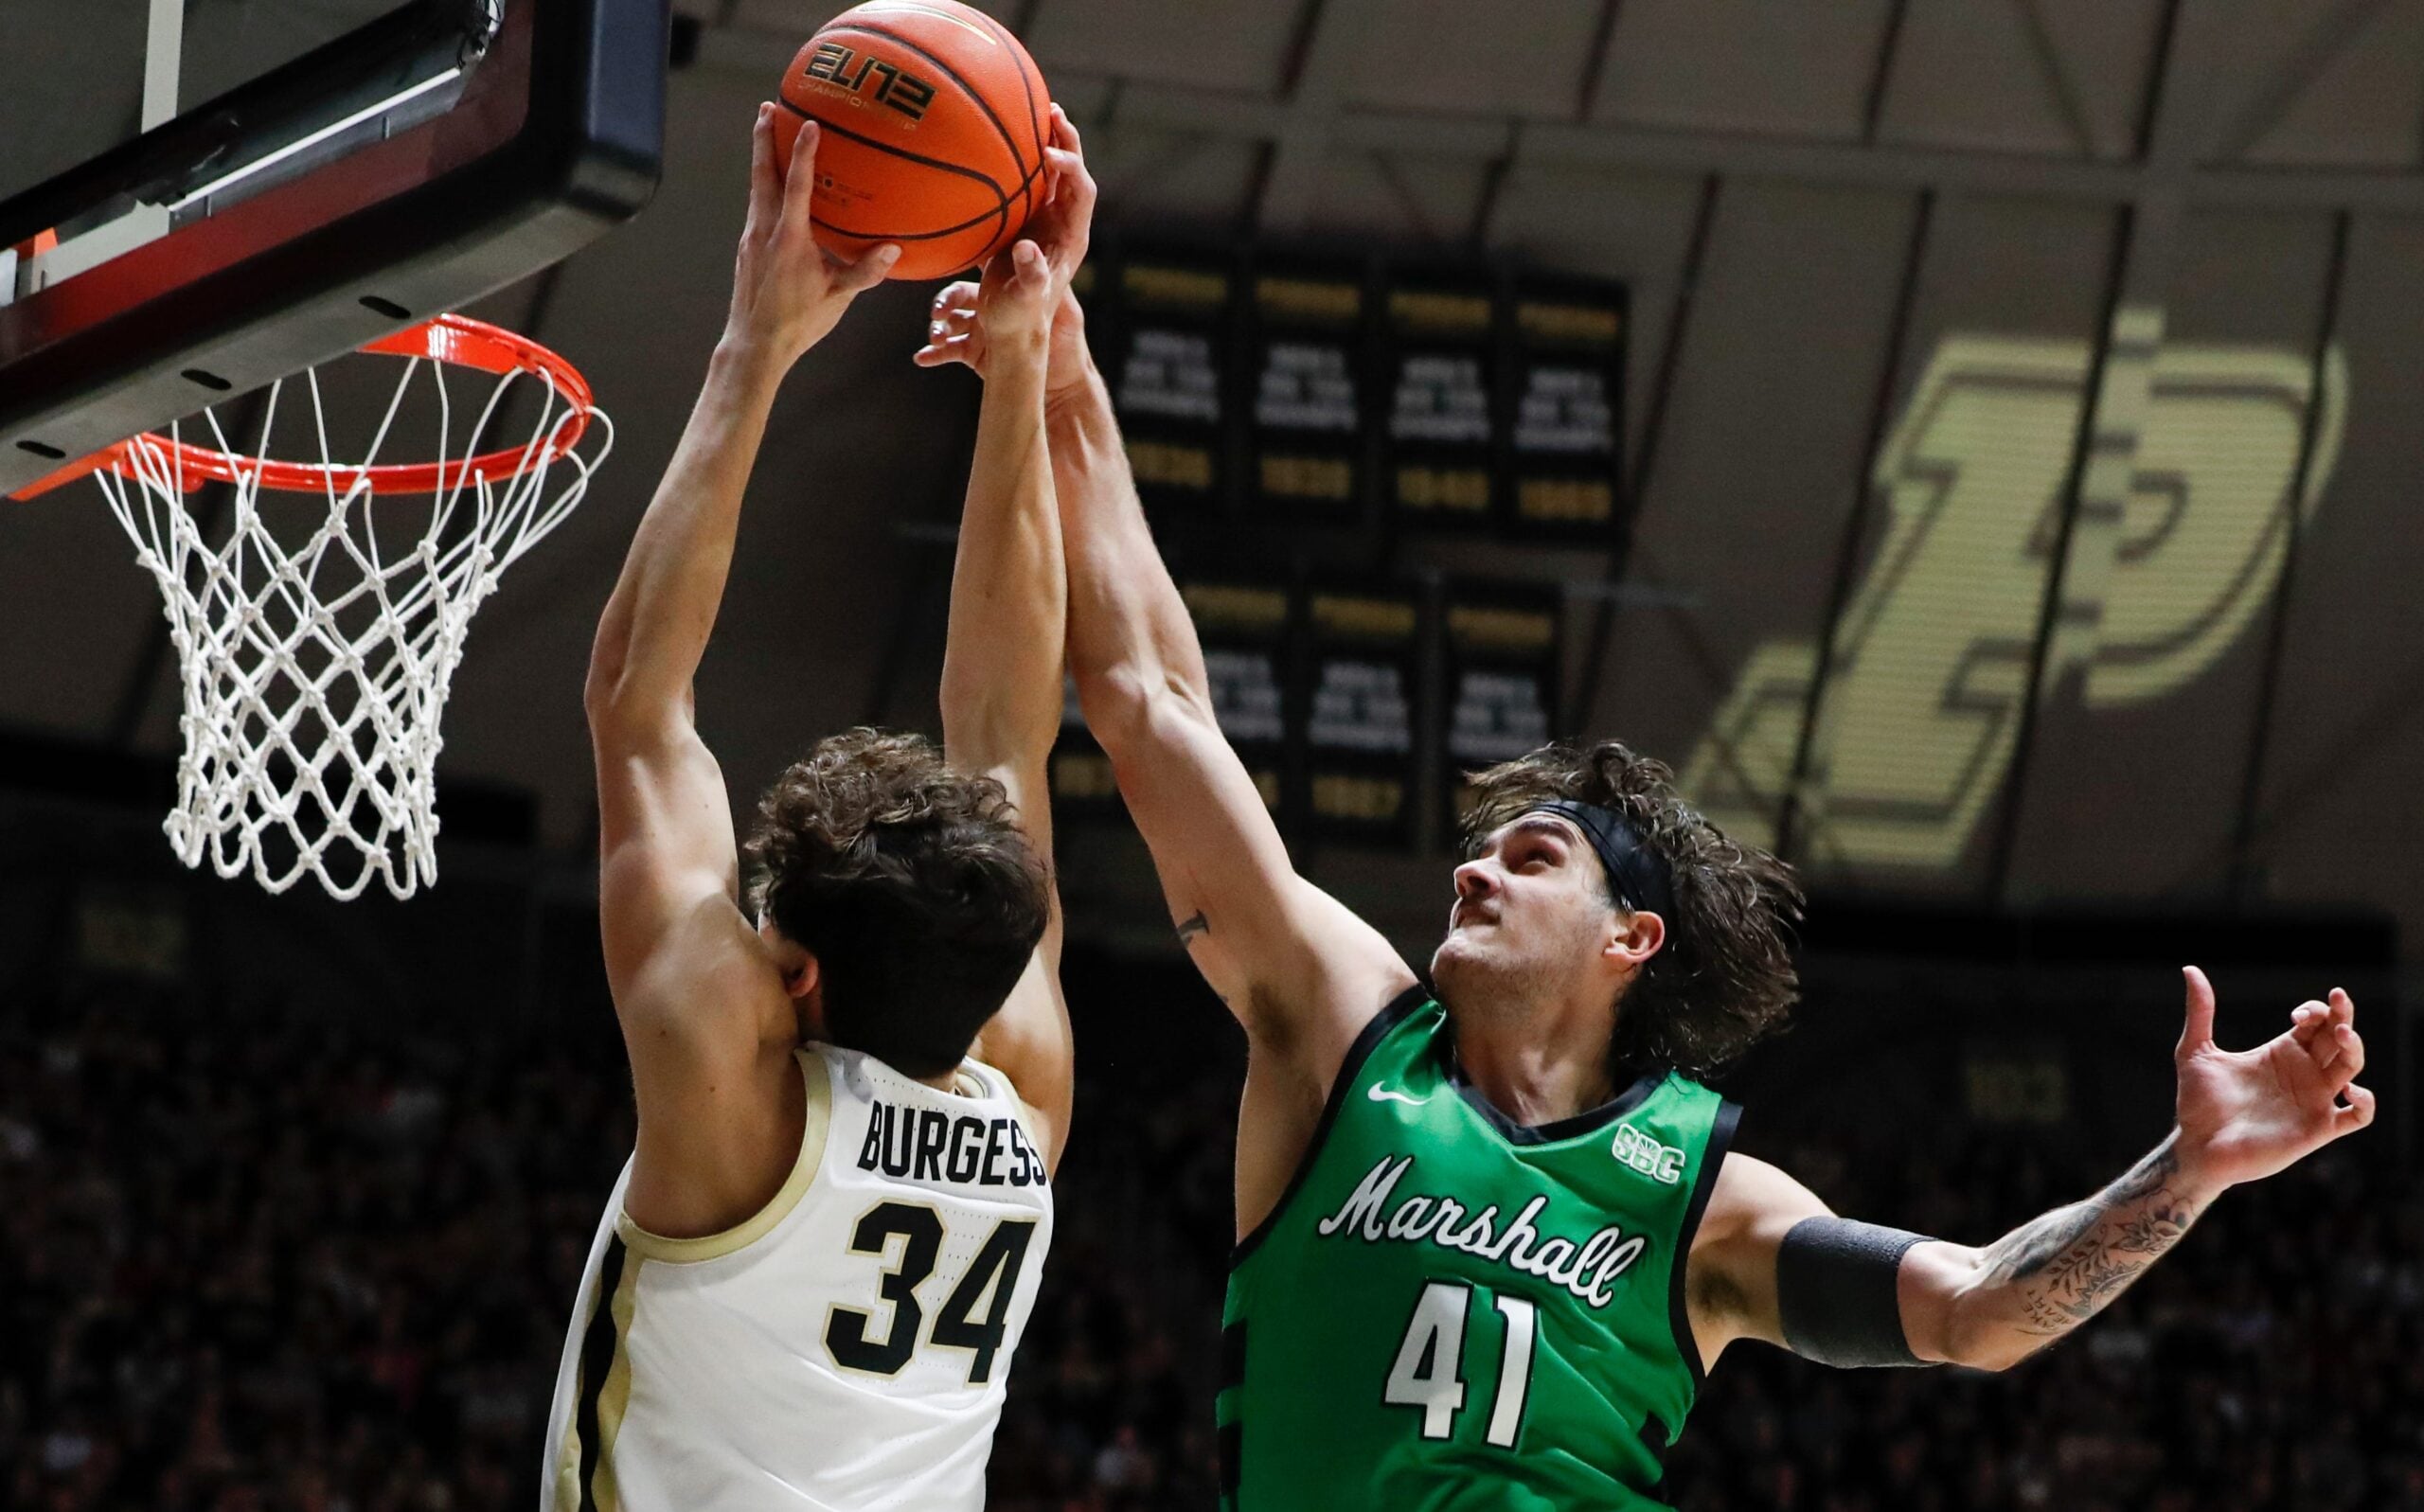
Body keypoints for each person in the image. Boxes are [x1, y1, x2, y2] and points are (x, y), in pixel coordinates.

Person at [915, 127, 2379, 1510]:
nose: (1473, 868)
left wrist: (2189, 1168)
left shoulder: (1700, 1199)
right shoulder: (1342, 1027)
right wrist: (1062, 368)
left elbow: (1981, 1310)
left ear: (1633, 934)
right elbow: (1148, 699)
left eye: (1530, 853)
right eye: (1483, 848)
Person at [544, 104, 1091, 1511]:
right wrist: (1020, 367)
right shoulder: (1020, 1086)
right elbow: (1010, 730)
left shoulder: (732, 1087)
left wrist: (760, 335)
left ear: (791, 973)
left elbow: (640, 702)